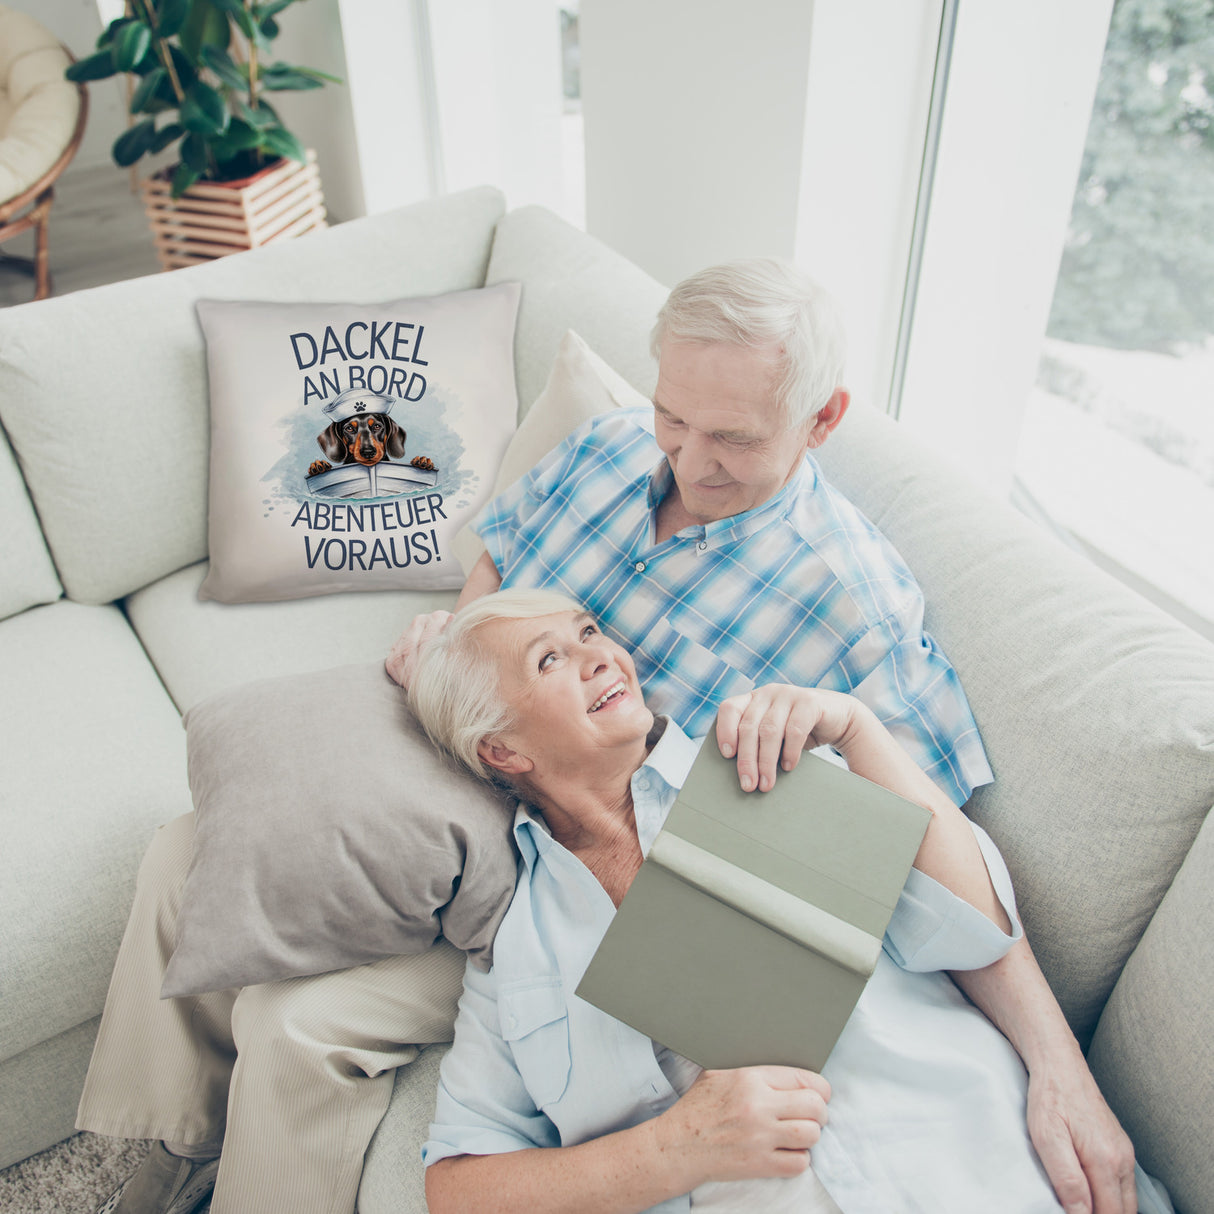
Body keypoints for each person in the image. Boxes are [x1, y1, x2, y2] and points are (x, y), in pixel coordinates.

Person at [79, 260, 1131, 1214]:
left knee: (300, 1024)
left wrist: (1057, 1063)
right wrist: (458, 642)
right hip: (488, 747)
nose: (687, 457)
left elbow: (927, 856)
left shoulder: (853, 607)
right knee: (192, 846)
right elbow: (499, 558)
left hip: (578, 853)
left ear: (820, 420)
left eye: (732, 438)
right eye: (674, 415)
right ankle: (159, 1150)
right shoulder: (609, 447)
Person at [407, 589, 1160, 1214]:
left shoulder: (762, 762)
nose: (601, 655)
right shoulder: (516, 952)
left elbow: (972, 929)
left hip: (985, 1167)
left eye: (589, 632)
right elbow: (458, 1188)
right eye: (550, 659)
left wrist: (858, 730)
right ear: (502, 750)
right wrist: (674, 1149)